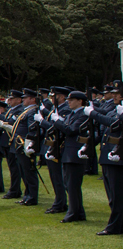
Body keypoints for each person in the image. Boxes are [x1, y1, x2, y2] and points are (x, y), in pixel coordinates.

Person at [39, 90, 89, 223]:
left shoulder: (83, 114)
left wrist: (57, 121)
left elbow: (71, 130)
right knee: (69, 184)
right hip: (67, 152)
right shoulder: (73, 114)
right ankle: (79, 212)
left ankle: (73, 213)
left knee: (72, 185)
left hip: (75, 153)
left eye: (72, 100)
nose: (69, 102)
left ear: (80, 101)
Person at [88, 82, 123, 235]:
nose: (113, 96)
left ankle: (115, 226)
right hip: (108, 156)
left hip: (117, 157)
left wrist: (92, 113)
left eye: (117, 93)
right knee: (112, 196)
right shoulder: (115, 109)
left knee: (117, 196)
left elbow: (113, 124)